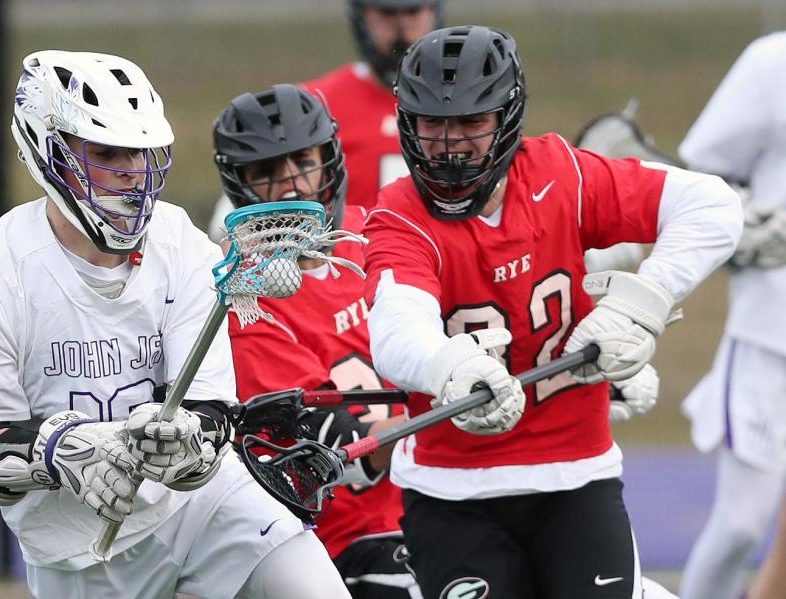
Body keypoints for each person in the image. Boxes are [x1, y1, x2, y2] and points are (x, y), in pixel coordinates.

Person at [0, 50, 350, 599]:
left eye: (138, 152)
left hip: (202, 511)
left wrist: (185, 445)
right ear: (49, 152)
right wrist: (67, 451)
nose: (132, 172)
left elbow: (209, 417)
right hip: (79, 550)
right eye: (107, 152)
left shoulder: (179, 243)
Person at [361, 26, 742, 599]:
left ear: (507, 118)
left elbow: (713, 206)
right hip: (453, 490)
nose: (449, 143)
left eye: (470, 122)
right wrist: (447, 366)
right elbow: (396, 328)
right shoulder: (399, 213)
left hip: (575, 475)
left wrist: (640, 307)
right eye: (432, 124)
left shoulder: (561, 177)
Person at [212, 83, 420, 598]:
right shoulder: (245, 300)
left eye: (302, 162)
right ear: (239, 187)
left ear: (329, 160)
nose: (289, 186)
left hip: (446, 497)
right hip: (347, 538)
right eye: (266, 172)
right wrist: (458, 406)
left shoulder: (373, 231)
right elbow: (346, 449)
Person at [677, 31, 786, 599]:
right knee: (742, 525)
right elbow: (699, 175)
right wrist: (748, 221)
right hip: (772, 335)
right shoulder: (773, 63)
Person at [207, 0, 444, 241]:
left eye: (413, 12)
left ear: (434, 12)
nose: (401, 25)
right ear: (362, 16)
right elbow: (227, 222)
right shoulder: (310, 106)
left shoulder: (464, 107)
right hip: (342, 265)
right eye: (386, 13)